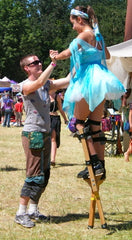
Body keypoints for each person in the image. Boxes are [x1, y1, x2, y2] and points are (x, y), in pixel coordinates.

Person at [50, 5, 125, 179]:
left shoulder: (83, 35)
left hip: (87, 81)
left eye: (73, 23)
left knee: (78, 123)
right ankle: (101, 165)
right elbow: (106, 55)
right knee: (95, 125)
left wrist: (55, 56)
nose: (73, 27)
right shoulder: (98, 36)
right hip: (101, 81)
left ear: (80, 20)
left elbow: (67, 54)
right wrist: (90, 52)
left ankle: (93, 163)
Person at [14, 53, 70, 228]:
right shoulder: (24, 85)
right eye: (35, 62)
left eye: (40, 61)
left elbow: (67, 81)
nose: (39, 64)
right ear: (27, 68)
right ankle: (20, 213)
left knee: (44, 175)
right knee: (34, 175)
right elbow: (37, 83)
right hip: (33, 133)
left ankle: (33, 210)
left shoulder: (46, 84)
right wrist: (52, 64)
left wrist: (79, 58)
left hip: (45, 132)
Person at [49, 90, 68, 166]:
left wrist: (65, 119)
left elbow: (60, 109)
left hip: (54, 118)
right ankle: (46, 159)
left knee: (53, 139)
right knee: (45, 139)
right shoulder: (43, 95)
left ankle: (52, 159)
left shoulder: (57, 97)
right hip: (45, 119)